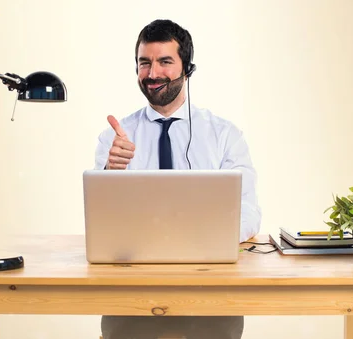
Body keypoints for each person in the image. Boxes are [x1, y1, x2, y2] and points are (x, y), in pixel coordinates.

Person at [93, 19, 261, 339]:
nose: (153, 73)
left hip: (210, 292)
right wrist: (111, 174)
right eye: (145, 63)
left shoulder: (224, 135)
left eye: (165, 61)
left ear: (188, 69)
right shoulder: (116, 138)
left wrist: (204, 241)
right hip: (132, 293)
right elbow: (103, 222)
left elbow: (249, 210)